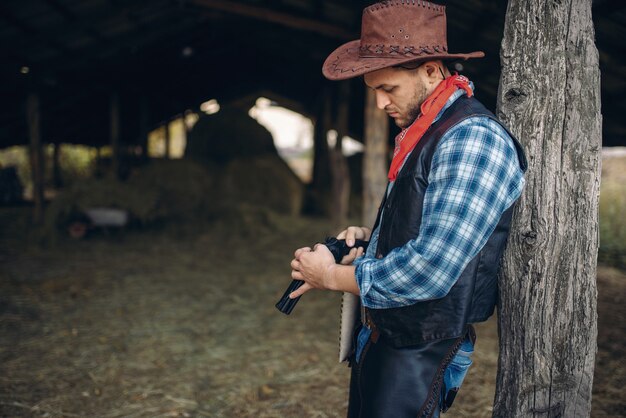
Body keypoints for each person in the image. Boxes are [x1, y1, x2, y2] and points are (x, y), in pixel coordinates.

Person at [288, 1, 527, 417]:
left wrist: (329, 276)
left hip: (423, 345)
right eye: (375, 90)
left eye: (389, 89)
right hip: (388, 334)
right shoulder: (427, 130)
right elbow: (428, 226)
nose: (380, 104)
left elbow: (430, 270)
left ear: (432, 71)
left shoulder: (470, 140)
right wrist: (373, 239)